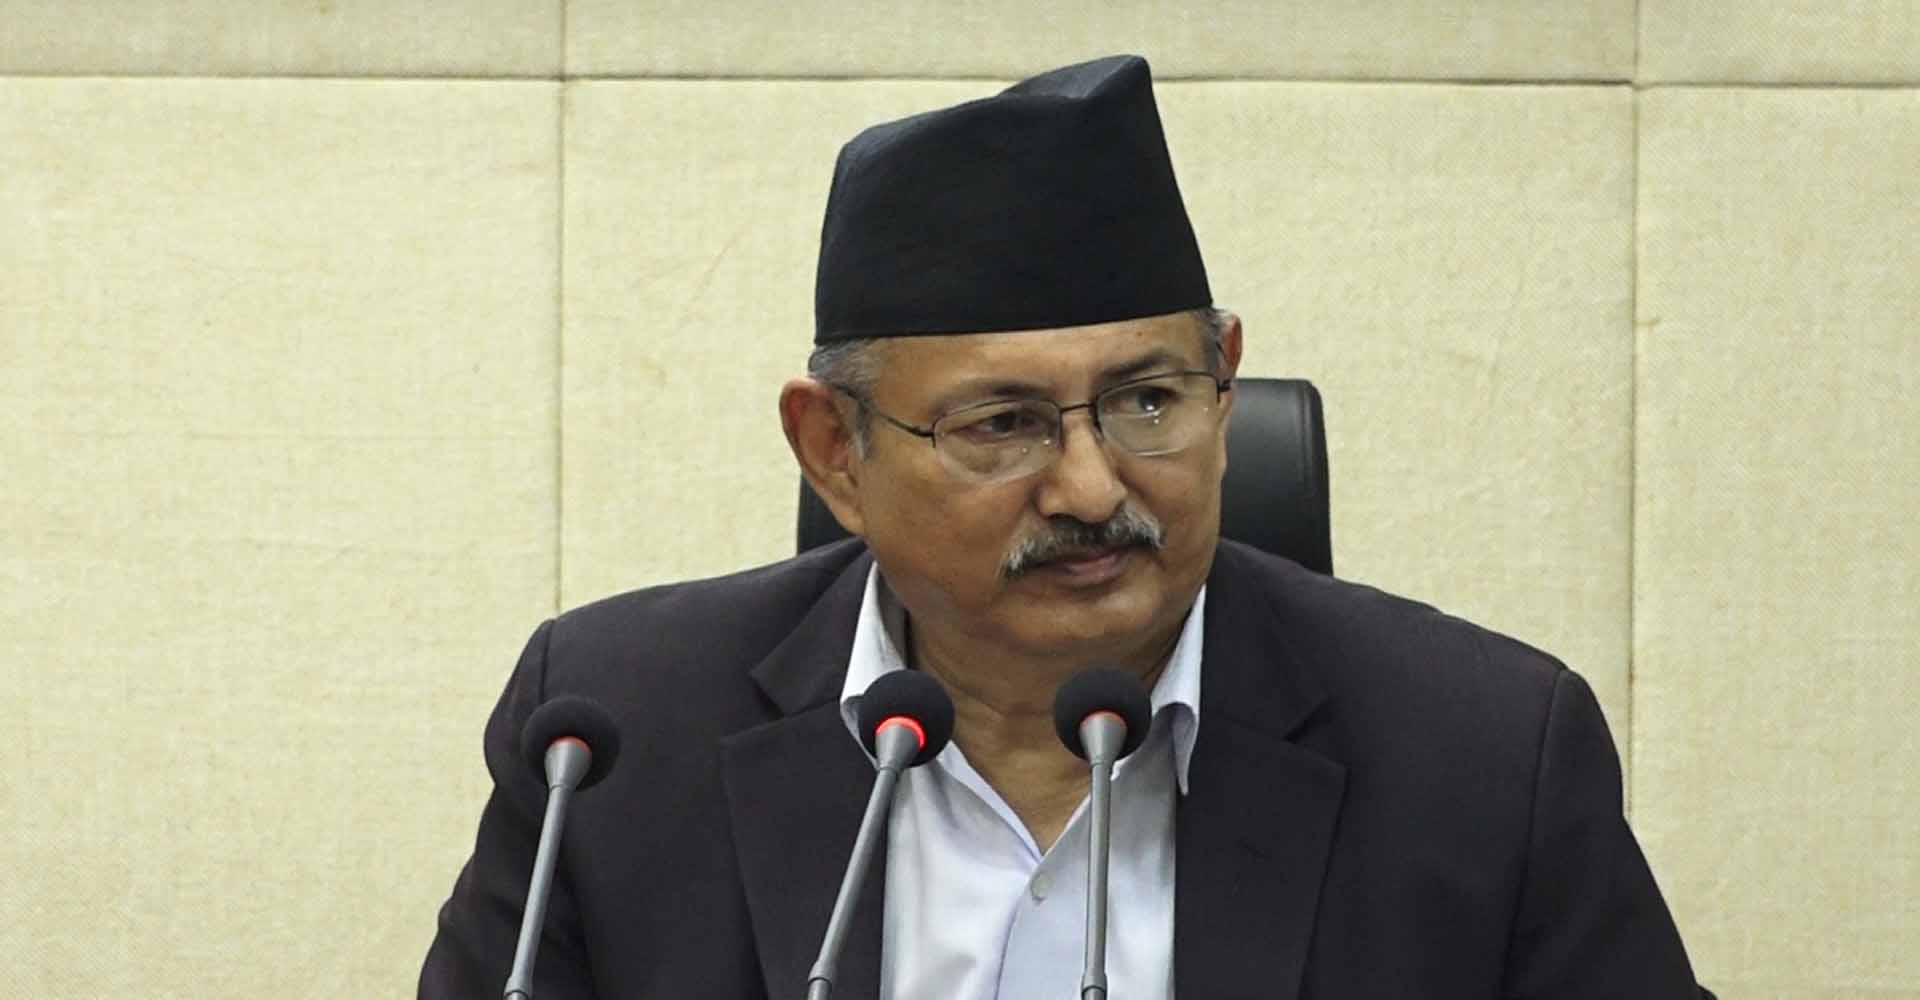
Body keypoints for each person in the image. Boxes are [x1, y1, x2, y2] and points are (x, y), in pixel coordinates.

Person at [420, 55, 1710, 999]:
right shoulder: (612, 736)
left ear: (1226, 385)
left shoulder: (1482, 756)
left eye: (1148, 401)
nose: (1093, 490)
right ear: (835, 454)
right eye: (1004, 423)